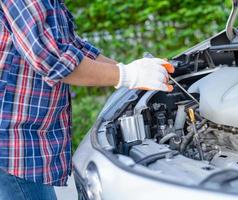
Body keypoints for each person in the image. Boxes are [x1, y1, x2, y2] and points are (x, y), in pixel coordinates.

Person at [0, 0, 174, 199]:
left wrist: (131, 71)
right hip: (9, 144)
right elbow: (51, 58)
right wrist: (127, 75)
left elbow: (71, 46)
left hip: (22, 140)